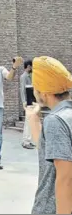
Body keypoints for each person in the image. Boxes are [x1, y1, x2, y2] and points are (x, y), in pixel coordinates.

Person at [27, 56, 72, 214]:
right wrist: (34, 120)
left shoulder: (55, 121)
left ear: (44, 92)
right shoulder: (65, 117)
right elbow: (50, 156)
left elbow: (65, 177)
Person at [20, 59, 35, 149]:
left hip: (32, 100)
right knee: (28, 122)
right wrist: (24, 101)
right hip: (28, 101)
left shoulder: (30, 76)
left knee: (30, 121)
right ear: (28, 66)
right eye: (31, 66)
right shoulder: (23, 76)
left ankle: (27, 140)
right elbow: (22, 90)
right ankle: (26, 142)